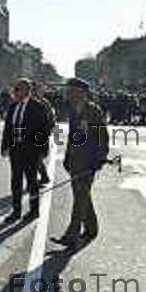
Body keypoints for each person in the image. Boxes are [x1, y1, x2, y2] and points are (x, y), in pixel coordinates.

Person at [54, 77, 109, 248]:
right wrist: (67, 157)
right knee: (83, 196)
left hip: (89, 161)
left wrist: (100, 159)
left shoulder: (94, 111)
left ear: (81, 93)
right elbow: (73, 137)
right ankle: (92, 229)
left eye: (70, 91)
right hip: (75, 160)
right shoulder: (72, 109)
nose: (67, 94)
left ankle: (72, 235)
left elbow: (103, 137)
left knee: (80, 198)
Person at [0, 78, 50, 224]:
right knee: (15, 181)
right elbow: (7, 128)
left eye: (17, 89)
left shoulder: (37, 107)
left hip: (31, 151)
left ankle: (34, 211)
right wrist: (5, 146)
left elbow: (43, 130)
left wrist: (41, 150)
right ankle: (16, 212)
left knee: (32, 181)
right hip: (15, 150)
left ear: (26, 91)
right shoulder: (13, 106)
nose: (14, 92)